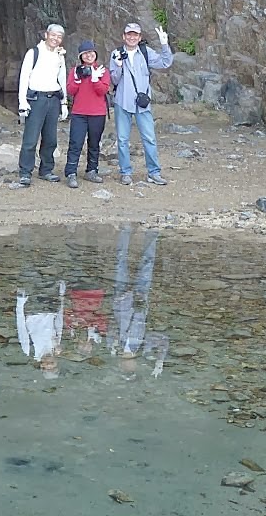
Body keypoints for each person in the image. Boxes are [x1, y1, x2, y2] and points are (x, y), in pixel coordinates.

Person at [109, 21, 172, 186]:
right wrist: (118, 66)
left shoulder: (146, 52)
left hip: (142, 104)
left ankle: (154, 172)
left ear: (139, 37)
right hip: (123, 101)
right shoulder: (116, 53)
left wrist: (164, 44)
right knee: (122, 139)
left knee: (149, 138)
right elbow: (114, 79)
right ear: (124, 36)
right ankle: (125, 172)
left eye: (135, 35)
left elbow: (165, 63)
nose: (132, 37)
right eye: (129, 34)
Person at [107, 225, 169, 379]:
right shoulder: (144, 347)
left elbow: (111, 324)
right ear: (135, 367)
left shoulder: (114, 347)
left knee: (121, 261)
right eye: (130, 370)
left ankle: (125, 230)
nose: (127, 367)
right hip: (140, 298)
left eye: (125, 370)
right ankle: (152, 233)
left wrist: (117, 301)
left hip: (121, 299)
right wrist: (160, 361)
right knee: (147, 263)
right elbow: (163, 340)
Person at [17, 23, 68, 187]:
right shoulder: (34, 53)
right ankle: (25, 172)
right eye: (53, 35)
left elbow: (62, 79)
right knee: (30, 138)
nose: (55, 39)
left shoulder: (60, 56)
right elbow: (24, 77)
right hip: (36, 98)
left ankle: (46, 170)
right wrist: (22, 101)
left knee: (51, 138)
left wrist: (64, 102)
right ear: (46, 35)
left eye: (59, 37)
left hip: (53, 98)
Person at [64, 40, 111, 189]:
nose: (89, 55)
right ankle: (71, 172)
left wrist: (95, 79)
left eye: (91, 52)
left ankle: (92, 170)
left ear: (95, 53)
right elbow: (71, 91)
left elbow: (102, 91)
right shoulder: (75, 71)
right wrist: (78, 79)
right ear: (81, 56)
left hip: (97, 113)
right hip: (79, 113)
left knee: (94, 143)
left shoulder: (102, 70)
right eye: (85, 54)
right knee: (75, 143)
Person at [16, 280, 65, 379]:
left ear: (41, 365)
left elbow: (21, 327)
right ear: (56, 362)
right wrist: (61, 296)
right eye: (52, 362)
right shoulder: (56, 347)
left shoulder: (29, 350)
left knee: (32, 280)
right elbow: (59, 324)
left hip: (32, 309)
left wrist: (20, 302)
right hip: (50, 308)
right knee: (50, 279)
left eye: (47, 364)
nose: (49, 361)